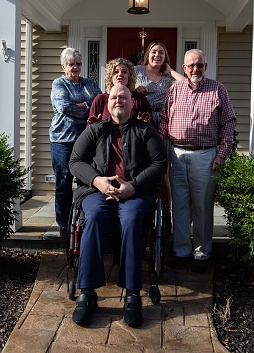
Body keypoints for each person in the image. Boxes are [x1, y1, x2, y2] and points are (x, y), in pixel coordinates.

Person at [69, 83, 167, 327]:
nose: (118, 101)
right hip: (97, 191)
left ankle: (133, 295)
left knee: (132, 220)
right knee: (93, 217)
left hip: (135, 192)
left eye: (124, 97)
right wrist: (98, 180)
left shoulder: (145, 131)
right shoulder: (95, 130)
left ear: (132, 103)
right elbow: (75, 161)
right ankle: (87, 294)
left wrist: (132, 186)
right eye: (114, 97)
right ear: (107, 101)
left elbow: (159, 163)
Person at [159, 49, 236, 273]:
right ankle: (182, 251)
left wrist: (222, 154)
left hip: (205, 155)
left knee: (202, 206)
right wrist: (162, 152)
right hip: (177, 154)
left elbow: (229, 122)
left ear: (205, 66)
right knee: (180, 206)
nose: (195, 69)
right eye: (191, 66)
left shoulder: (217, 89)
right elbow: (164, 121)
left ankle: (202, 254)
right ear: (184, 68)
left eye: (199, 65)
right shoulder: (174, 89)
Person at [134, 41, 185, 235]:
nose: (157, 55)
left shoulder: (168, 77)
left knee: (163, 172)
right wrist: (135, 90)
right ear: (148, 54)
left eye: (161, 53)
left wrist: (170, 70)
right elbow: (121, 85)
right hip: (141, 122)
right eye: (154, 52)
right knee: (140, 167)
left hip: (162, 124)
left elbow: (186, 84)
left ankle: (167, 215)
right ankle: (143, 212)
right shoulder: (137, 71)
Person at [50, 48, 102, 237]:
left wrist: (83, 107)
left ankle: (83, 218)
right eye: (71, 64)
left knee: (86, 180)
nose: (75, 67)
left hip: (86, 140)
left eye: (78, 64)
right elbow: (64, 108)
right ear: (63, 66)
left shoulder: (89, 84)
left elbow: (100, 104)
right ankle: (63, 223)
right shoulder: (59, 83)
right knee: (63, 182)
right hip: (62, 140)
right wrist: (87, 107)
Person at [87, 58, 152, 125]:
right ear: (110, 76)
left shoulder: (140, 100)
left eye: (124, 72)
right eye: (116, 72)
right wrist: (96, 126)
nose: (120, 74)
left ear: (129, 77)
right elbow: (89, 129)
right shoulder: (100, 100)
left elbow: (151, 129)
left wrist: (143, 125)